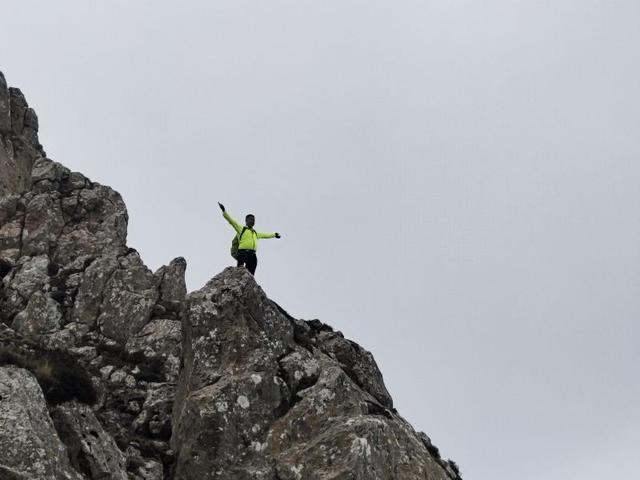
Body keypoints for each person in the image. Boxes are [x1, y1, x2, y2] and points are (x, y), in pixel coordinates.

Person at [218, 202, 281, 275]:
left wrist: (274, 235)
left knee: (251, 271)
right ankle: (237, 277)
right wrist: (224, 212)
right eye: (251, 219)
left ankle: (249, 282)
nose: (253, 221)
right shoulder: (242, 229)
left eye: (254, 220)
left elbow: (265, 235)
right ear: (246, 221)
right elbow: (232, 222)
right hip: (243, 252)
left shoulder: (255, 233)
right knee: (240, 269)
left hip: (252, 254)